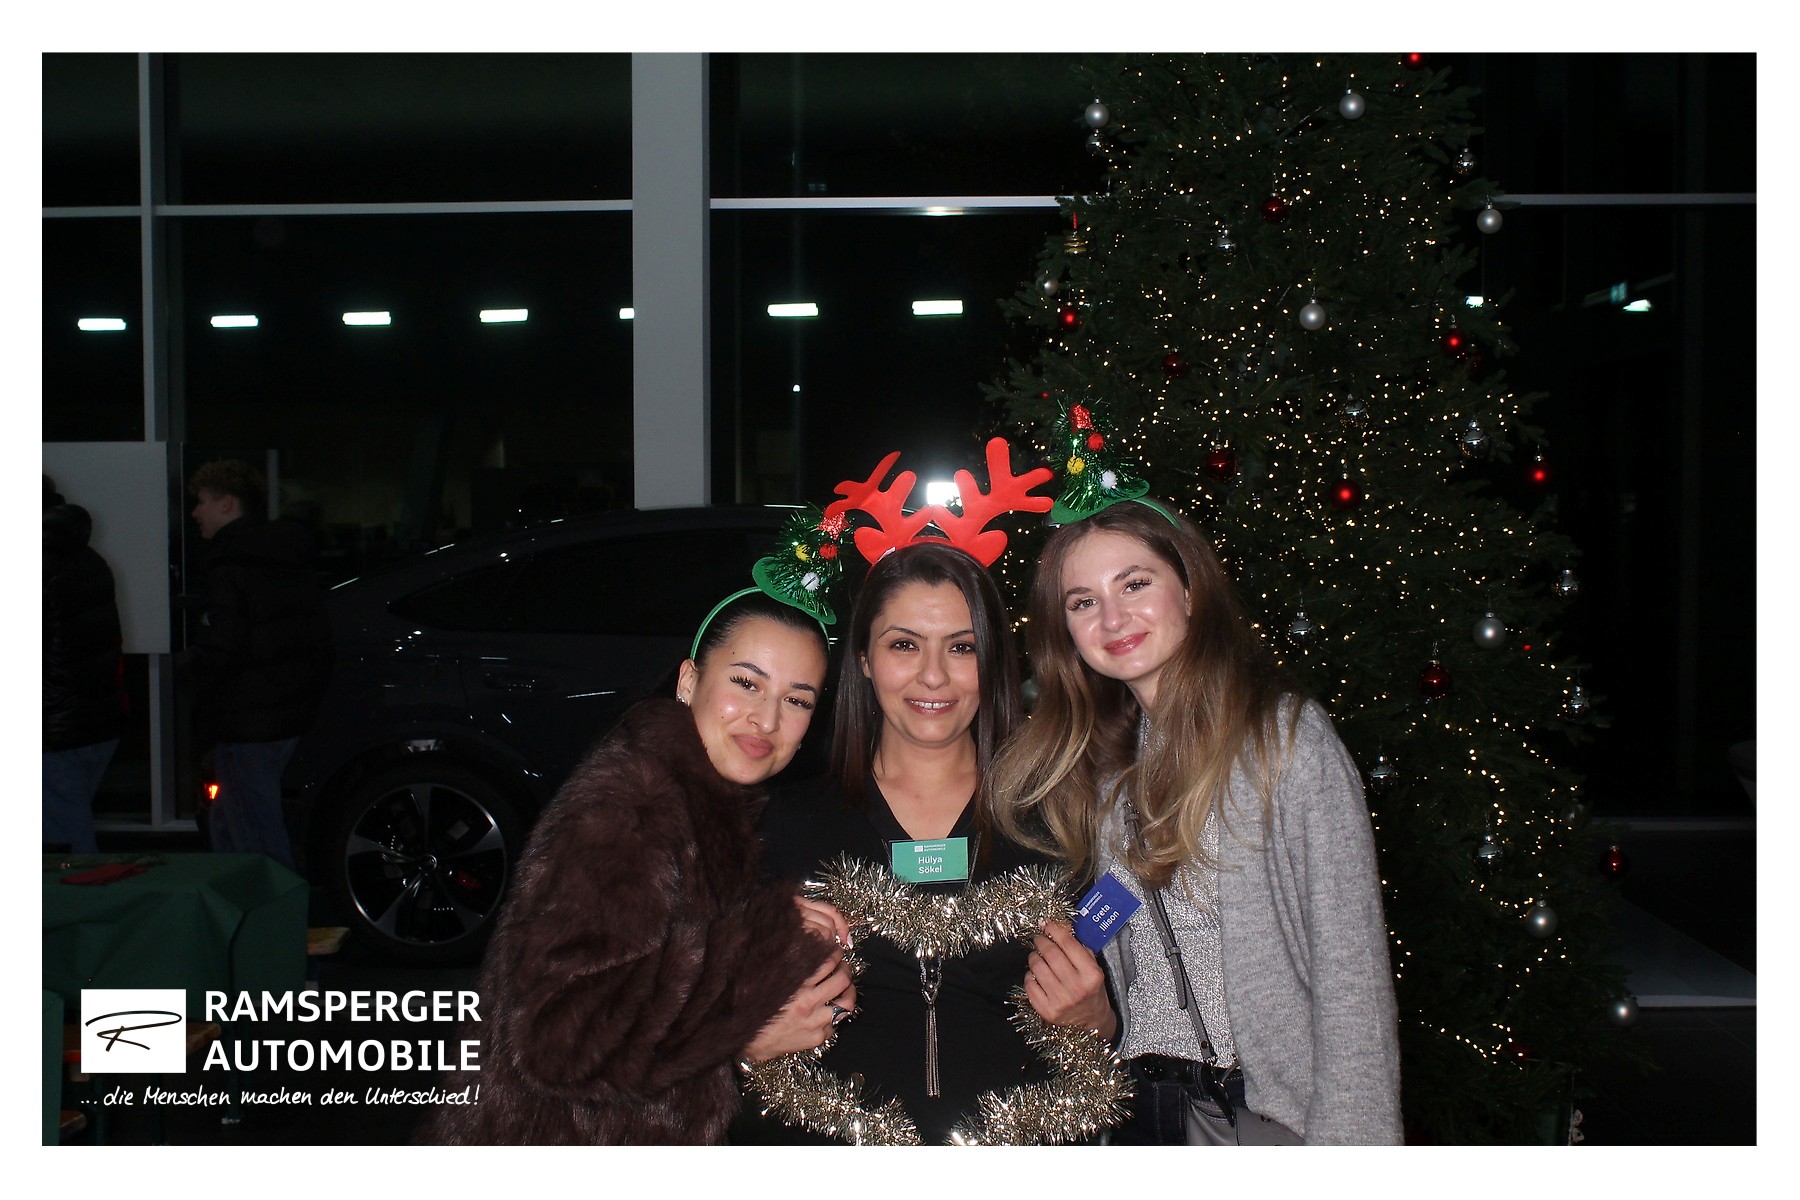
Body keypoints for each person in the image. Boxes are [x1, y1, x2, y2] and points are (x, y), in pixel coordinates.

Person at [988, 498, 1402, 1144]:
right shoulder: (1109, 776)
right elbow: (1134, 964)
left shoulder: (1283, 741)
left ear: (1189, 588)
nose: (1112, 618)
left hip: (1261, 1121)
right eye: (1083, 602)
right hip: (1143, 1116)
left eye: (1134, 584)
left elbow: (1354, 984)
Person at [419, 588, 855, 1144]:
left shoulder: (707, 804)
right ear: (689, 681)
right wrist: (747, 1006)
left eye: (797, 700)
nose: (767, 719)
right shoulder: (632, 805)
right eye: (747, 683)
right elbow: (559, 1038)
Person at [734, 541, 1115, 1144]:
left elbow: (1138, 1005)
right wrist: (742, 1040)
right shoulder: (780, 823)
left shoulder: (1063, 820)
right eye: (904, 645)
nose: (933, 675)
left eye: (962, 648)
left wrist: (1101, 1021)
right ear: (864, 658)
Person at [177, 459, 332, 871]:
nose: (195, 512)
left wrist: (188, 670)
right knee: (239, 822)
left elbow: (222, 645)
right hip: (282, 713)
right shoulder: (286, 557)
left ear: (227, 504)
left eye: (202, 502)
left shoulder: (231, 564)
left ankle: (269, 907)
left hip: (246, 719)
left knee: (251, 833)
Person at [43, 476, 128, 854]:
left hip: (54, 728)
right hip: (95, 721)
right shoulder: (87, 557)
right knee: (66, 833)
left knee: (60, 848)